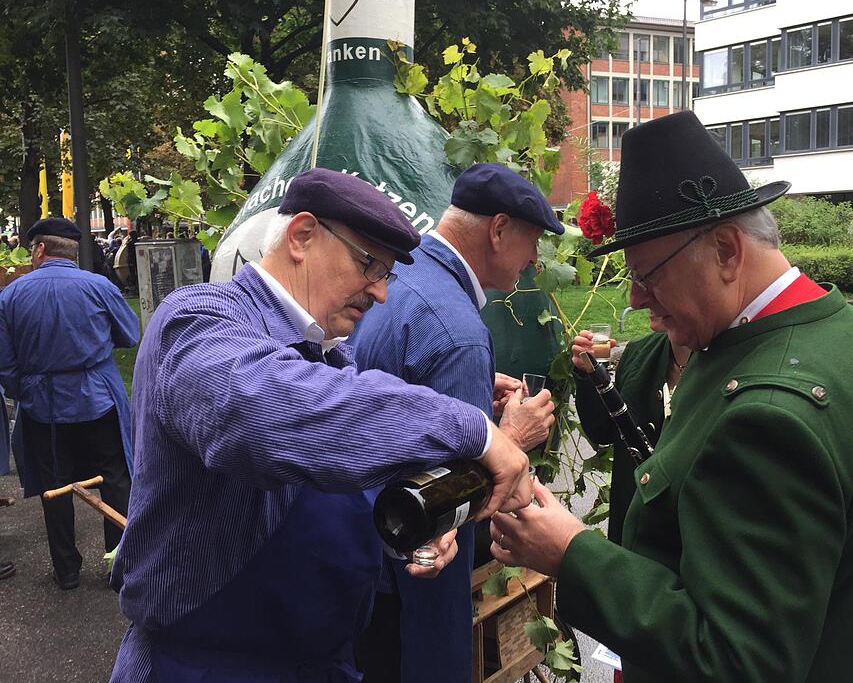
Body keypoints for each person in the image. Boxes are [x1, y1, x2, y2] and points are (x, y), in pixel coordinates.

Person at [489, 111, 853, 682]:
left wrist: (572, 552)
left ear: (728, 252)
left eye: (648, 275)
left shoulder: (767, 414)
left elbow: (732, 660)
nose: (635, 301)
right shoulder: (850, 338)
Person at [109, 168, 535, 683]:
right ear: (302, 235)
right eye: (369, 264)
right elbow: (266, 411)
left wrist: (411, 526)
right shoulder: (198, 319)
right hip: (208, 664)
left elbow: (342, 473)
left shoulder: (332, 358)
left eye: (387, 274)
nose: (380, 293)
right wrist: (476, 430)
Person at [348, 163, 561, 683]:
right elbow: (446, 491)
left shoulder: (394, 275)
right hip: (413, 578)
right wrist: (511, 439)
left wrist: (472, 396)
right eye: (532, 241)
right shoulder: (455, 328)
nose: (534, 259)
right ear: (499, 229)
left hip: (355, 560)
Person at [0, 218, 138, 590]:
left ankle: (66, 571)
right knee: (114, 477)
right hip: (98, 398)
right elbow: (129, 334)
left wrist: (25, 392)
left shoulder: (10, 295)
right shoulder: (99, 286)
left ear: (40, 249)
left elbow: (5, 363)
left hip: (43, 405)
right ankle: (120, 565)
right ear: (72, 250)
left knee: (54, 485)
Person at [572, 314, 690, 548]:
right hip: (628, 534)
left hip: (682, 546)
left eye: (653, 278)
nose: (638, 300)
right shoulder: (638, 353)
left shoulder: (725, 364)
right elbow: (602, 431)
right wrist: (589, 374)